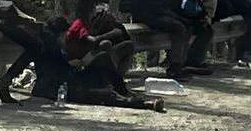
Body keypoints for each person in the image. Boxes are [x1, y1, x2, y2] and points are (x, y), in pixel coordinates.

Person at [33, 19, 164, 112]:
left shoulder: (58, 48)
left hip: (71, 78)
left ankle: (123, 91)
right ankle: (141, 104)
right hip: (59, 87)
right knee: (102, 95)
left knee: (102, 58)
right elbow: (54, 74)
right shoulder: (48, 49)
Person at [66, 0, 135, 75]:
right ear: (89, 9)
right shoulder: (79, 24)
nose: (96, 9)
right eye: (94, 6)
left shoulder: (89, 22)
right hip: (84, 56)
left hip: (91, 53)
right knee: (105, 44)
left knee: (128, 45)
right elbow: (93, 39)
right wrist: (113, 33)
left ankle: (118, 75)